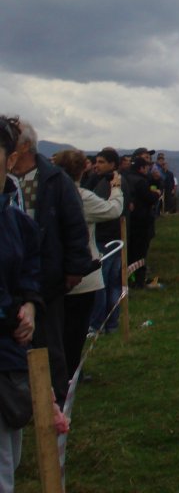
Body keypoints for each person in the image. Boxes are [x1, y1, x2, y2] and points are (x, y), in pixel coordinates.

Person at [7, 120, 95, 408]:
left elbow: (74, 225)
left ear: (24, 146)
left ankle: (53, 405)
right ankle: (18, 399)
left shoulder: (55, 180)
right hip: (9, 277)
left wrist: (74, 268)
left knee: (48, 345)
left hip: (47, 278)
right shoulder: (6, 179)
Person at [0, 116, 43, 493]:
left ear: (10, 159)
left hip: (9, 359)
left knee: (8, 460)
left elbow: (29, 267)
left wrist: (29, 304)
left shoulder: (15, 221)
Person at [51, 150, 122, 381]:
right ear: (83, 169)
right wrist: (116, 188)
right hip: (84, 272)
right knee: (75, 331)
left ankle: (56, 374)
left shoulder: (48, 196)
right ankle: (70, 375)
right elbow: (113, 210)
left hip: (53, 270)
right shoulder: (81, 196)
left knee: (56, 330)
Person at [84, 148, 124, 334]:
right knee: (112, 283)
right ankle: (111, 323)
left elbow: (103, 208)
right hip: (116, 237)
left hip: (105, 239)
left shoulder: (109, 183)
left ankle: (97, 323)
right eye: (96, 162)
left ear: (112, 164)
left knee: (101, 283)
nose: (96, 166)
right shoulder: (111, 180)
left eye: (101, 162)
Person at [123, 156, 161, 289]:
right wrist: (156, 193)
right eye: (146, 167)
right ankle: (139, 280)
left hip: (129, 221)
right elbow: (149, 198)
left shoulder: (125, 178)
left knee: (130, 251)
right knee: (140, 253)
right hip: (141, 221)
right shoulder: (140, 181)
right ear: (142, 168)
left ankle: (129, 278)